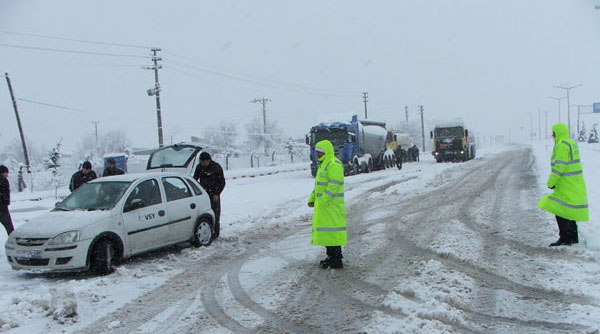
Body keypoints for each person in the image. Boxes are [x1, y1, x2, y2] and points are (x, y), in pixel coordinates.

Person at [538, 122, 589, 247]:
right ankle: (572, 238)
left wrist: (551, 182)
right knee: (568, 211)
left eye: (553, 132)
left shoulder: (562, 145)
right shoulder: (570, 143)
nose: (552, 135)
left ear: (557, 132)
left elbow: (559, 167)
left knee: (560, 210)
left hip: (566, 184)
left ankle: (565, 238)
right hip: (574, 183)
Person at [308, 140, 347, 269]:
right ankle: (331, 256)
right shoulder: (323, 165)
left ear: (326, 151)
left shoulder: (333, 164)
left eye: (319, 152)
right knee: (327, 234)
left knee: (333, 232)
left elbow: (334, 184)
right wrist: (312, 198)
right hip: (325, 206)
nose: (317, 154)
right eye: (317, 152)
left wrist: (324, 200)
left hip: (332, 206)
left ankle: (336, 259)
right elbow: (318, 186)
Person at [193, 152, 226, 240]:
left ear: (209, 160)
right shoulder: (199, 167)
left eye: (204, 162)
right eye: (201, 162)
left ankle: (215, 234)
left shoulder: (216, 167)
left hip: (214, 194)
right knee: (204, 214)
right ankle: (207, 231)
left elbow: (222, 182)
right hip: (203, 194)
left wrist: (217, 193)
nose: (203, 164)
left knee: (215, 214)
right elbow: (195, 179)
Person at [0, 165, 14, 236]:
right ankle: (13, 240)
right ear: (3, 172)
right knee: (9, 227)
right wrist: (6, 201)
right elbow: (4, 193)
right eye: (6, 173)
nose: (7, 175)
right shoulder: (3, 180)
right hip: (2, 207)